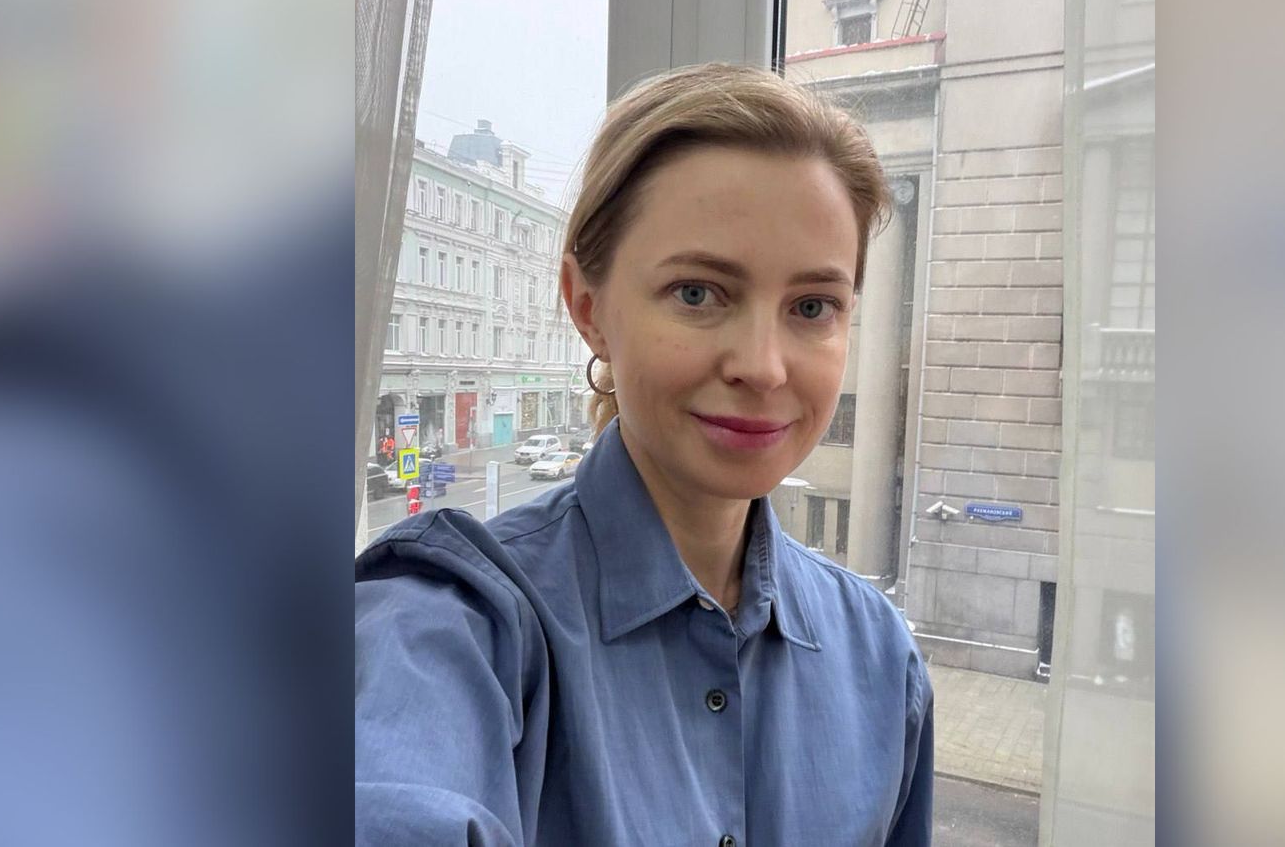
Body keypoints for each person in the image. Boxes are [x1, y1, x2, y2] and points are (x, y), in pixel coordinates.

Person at [355, 63, 934, 846]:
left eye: (811, 306)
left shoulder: (881, 660)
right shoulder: (456, 625)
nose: (763, 367)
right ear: (588, 308)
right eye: (698, 293)